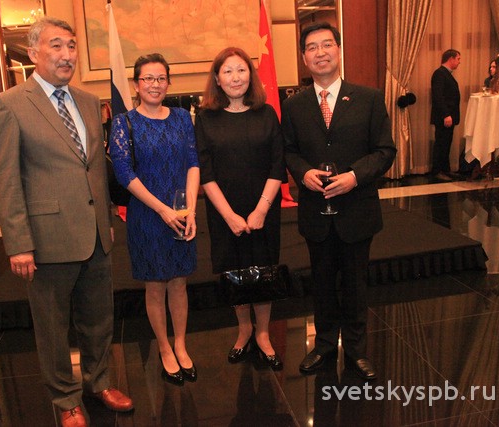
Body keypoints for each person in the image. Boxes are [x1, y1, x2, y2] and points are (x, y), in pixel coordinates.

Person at [0, 17, 133, 427]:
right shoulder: (9, 104)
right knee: (52, 327)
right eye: (56, 45)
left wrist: (105, 216)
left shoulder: (87, 100)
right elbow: (6, 179)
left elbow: (94, 168)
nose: (67, 54)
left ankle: (99, 382)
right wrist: (18, 243)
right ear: (34, 52)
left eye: (71, 45)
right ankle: (66, 399)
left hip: (95, 234)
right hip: (47, 238)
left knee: (99, 319)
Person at [282, 22, 396, 381]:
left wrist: (354, 176)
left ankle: (357, 352)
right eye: (312, 47)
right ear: (304, 57)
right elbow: (289, 151)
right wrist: (303, 173)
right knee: (322, 282)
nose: (320, 53)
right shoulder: (294, 105)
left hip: (357, 208)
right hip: (316, 211)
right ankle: (325, 345)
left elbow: (385, 150)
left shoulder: (369, 98)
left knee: (356, 284)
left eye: (327, 44)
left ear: (339, 50)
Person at [109, 53, 199, 386]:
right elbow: (123, 173)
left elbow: (193, 163)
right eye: (147, 78)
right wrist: (162, 209)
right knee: (155, 285)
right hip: (147, 215)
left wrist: (190, 209)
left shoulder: (182, 118)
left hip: (182, 212)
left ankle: (181, 343)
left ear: (168, 82)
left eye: (161, 78)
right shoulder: (124, 122)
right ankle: (163, 346)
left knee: (179, 282)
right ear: (136, 84)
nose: (155, 84)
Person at [195, 47, 286, 370]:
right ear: (217, 79)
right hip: (224, 212)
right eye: (228, 71)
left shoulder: (267, 113)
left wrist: (261, 210)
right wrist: (229, 216)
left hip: (264, 207)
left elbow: (278, 165)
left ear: (251, 75)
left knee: (263, 270)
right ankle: (244, 329)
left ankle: (263, 333)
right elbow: (205, 173)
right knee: (235, 272)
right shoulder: (205, 118)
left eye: (241, 70)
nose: (236, 77)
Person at [430, 49, 461, 181]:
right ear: (451, 59)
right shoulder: (439, 74)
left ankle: (445, 169)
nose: (459, 62)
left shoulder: (446, 74)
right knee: (441, 144)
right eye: (458, 59)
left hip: (449, 117)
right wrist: (446, 115)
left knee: (446, 143)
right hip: (444, 117)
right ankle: (437, 170)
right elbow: (438, 96)